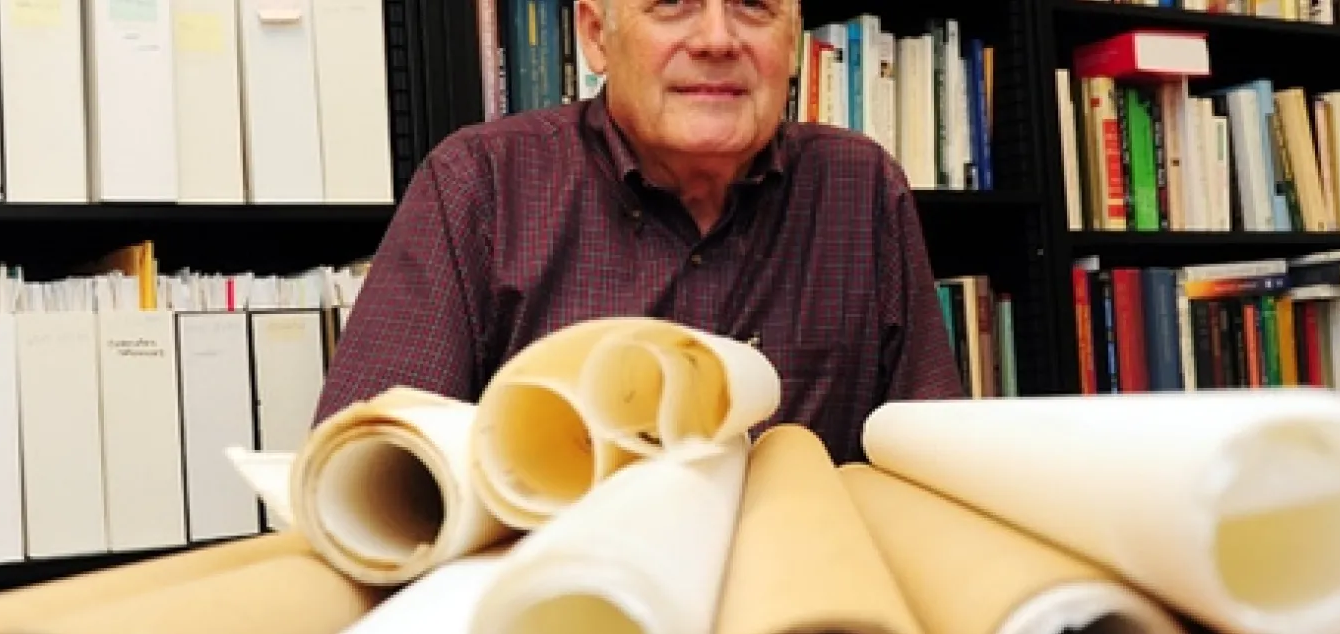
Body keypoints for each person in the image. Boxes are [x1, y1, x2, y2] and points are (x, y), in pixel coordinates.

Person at [314, 0, 963, 463]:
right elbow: (365, 471)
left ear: (791, 42)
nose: (716, 39)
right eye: (673, 4)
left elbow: (934, 455)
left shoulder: (860, 187)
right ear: (596, 34)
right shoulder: (479, 185)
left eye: (753, 6)